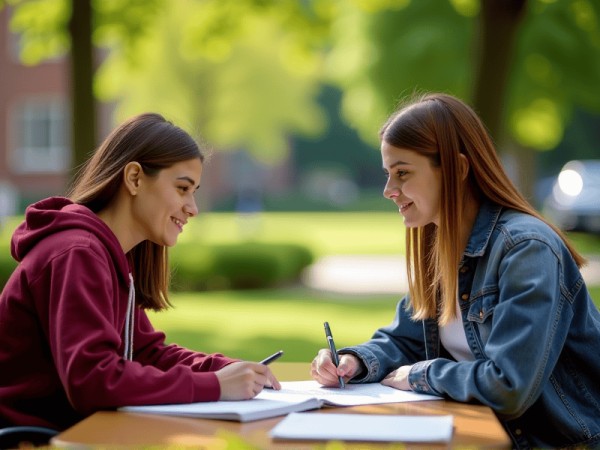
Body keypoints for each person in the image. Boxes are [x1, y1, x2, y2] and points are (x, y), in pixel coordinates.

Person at [310, 93, 600, 449]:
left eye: (402, 173)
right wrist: (355, 361)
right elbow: (406, 337)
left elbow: (509, 386)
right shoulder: (445, 246)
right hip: (475, 436)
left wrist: (421, 374)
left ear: (458, 170)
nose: (389, 190)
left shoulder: (526, 250)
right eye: (388, 174)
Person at [0, 113, 280, 432]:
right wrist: (214, 385)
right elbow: (92, 381)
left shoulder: (107, 253)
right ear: (134, 178)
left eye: (195, 192)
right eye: (182, 188)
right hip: (31, 439)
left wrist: (225, 369)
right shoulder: (78, 253)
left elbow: (147, 352)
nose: (193, 207)